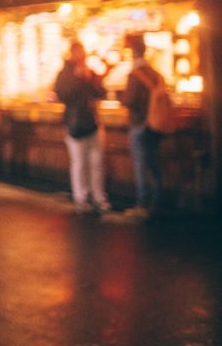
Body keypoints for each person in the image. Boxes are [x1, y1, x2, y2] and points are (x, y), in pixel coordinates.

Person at [53, 41, 110, 214]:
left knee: (96, 163)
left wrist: (92, 78)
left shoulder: (88, 72)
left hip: (92, 122)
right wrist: (78, 79)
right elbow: (62, 94)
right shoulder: (65, 74)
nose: (81, 56)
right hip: (74, 123)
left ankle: (98, 197)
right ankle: (81, 198)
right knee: (79, 163)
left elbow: (101, 92)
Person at [120, 34, 163, 219]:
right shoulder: (155, 73)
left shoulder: (134, 74)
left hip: (139, 124)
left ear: (132, 53)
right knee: (154, 164)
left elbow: (129, 100)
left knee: (140, 165)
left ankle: (142, 204)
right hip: (156, 124)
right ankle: (157, 201)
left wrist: (122, 96)